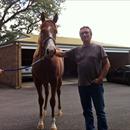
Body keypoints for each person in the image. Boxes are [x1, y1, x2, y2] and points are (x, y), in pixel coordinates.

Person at [55, 26, 110, 130]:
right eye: (82, 33)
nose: (84, 35)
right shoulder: (77, 50)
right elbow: (62, 54)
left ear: (90, 34)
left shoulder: (98, 48)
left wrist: (100, 78)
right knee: (87, 111)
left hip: (96, 85)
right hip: (82, 86)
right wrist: (52, 51)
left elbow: (107, 64)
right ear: (80, 36)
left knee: (100, 111)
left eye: (86, 33)